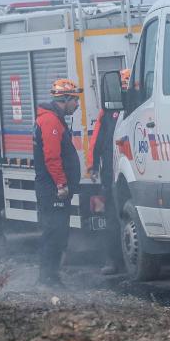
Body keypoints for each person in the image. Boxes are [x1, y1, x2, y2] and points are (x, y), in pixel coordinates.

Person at [34, 78, 83, 287]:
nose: (77, 105)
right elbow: (52, 157)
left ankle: (51, 277)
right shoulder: (50, 122)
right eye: (75, 100)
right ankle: (47, 278)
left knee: (58, 233)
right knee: (54, 233)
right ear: (65, 99)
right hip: (52, 189)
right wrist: (62, 185)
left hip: (53, 187)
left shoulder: (53, 119)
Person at [86, 68, 131, 275]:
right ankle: (113, 260)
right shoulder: (107, 112)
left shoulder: (139, 106)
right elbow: (95, 141)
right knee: (112, 219)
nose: (123, 90)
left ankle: (123, 260)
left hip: (132, 172)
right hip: (111, 175)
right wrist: (92, 165)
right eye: (122, 86)